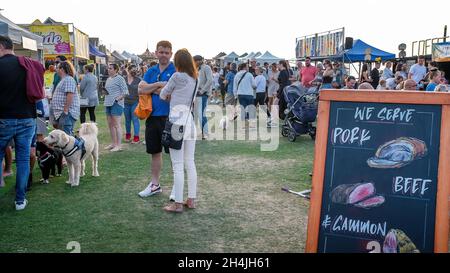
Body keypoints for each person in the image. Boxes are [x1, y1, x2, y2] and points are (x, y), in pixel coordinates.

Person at [0, 35, 40, 210]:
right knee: (23, 159)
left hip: (4, 118)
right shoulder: (27, 64)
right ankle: (20, 200)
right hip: (27, 118)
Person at [159, 49, 199, 213]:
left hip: (176, 122)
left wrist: (170, 94)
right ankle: (191, 199)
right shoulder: (195, 78)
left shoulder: (176, 76)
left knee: (177, 165)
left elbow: (162, 94)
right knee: (190, 162)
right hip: (189, 121)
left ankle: (177, 204)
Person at [138, 40, 176, 199]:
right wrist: (160, 84)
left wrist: (151, 88)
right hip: (152, 117)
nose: (164, 55)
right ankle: (155, 185)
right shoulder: (152, 70)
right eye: (161, 52)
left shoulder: (176, 70)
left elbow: (171, 95)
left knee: (175, 154)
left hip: (171, 117)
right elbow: (141, 89)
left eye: (167, 52)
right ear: (156, 53)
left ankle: (177, 187)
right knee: (155, 152)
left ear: (171, 54)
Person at [104, 63, 128, 152]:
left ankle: (119, 145)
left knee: (117, 125)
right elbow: (108, 91)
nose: (108, 70)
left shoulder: (120, 78)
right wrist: (104, 92)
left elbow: (125, 91)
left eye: (110, 68)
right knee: (110, 125)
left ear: (116, 70)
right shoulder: (108, 79)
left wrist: (117, 99)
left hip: (116, 104)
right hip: (107, 103)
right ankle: (113, 143)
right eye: (108, 68)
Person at [51, 61, 80, 136]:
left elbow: (70, 95)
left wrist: (65, 111)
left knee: (66, 137)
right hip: (62, 112)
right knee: (63, 137)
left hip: (67, 113)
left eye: (57, 67)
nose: (55, 69)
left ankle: (79, 146)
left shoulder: (68, 79)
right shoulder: (64, 80)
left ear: (62, 69)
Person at [193, 55, 213, 140]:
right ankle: (195, 132)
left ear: (199, 61)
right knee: (195, 115)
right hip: (195, 94)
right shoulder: (195, 68)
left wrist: (202, 91)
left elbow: (210, 80)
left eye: (194, 61)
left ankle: (205, 133)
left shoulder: (206, 67)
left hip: (202, 94)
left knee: (202, 114)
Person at [233, 63, 256, 128]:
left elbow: (234, 86)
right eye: (247, 67)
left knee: (243, 109)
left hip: (240, 94)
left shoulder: (237, 75)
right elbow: (254, 85)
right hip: (249, 94)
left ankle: (243, 125)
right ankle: (251, 124)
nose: (248, 68)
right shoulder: (249, 74)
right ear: (245, 67)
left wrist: (235, 95)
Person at [124, 65, 141, 144]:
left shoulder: (139, 80)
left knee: (135, 119)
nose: (134, 72)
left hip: (135, 102)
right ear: (128, 70)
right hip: (125, 102)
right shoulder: (124, 79)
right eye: (132, 70)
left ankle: (136, 137)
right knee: (127, 120)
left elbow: (142, 90)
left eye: (135, 70)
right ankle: (128, 135)